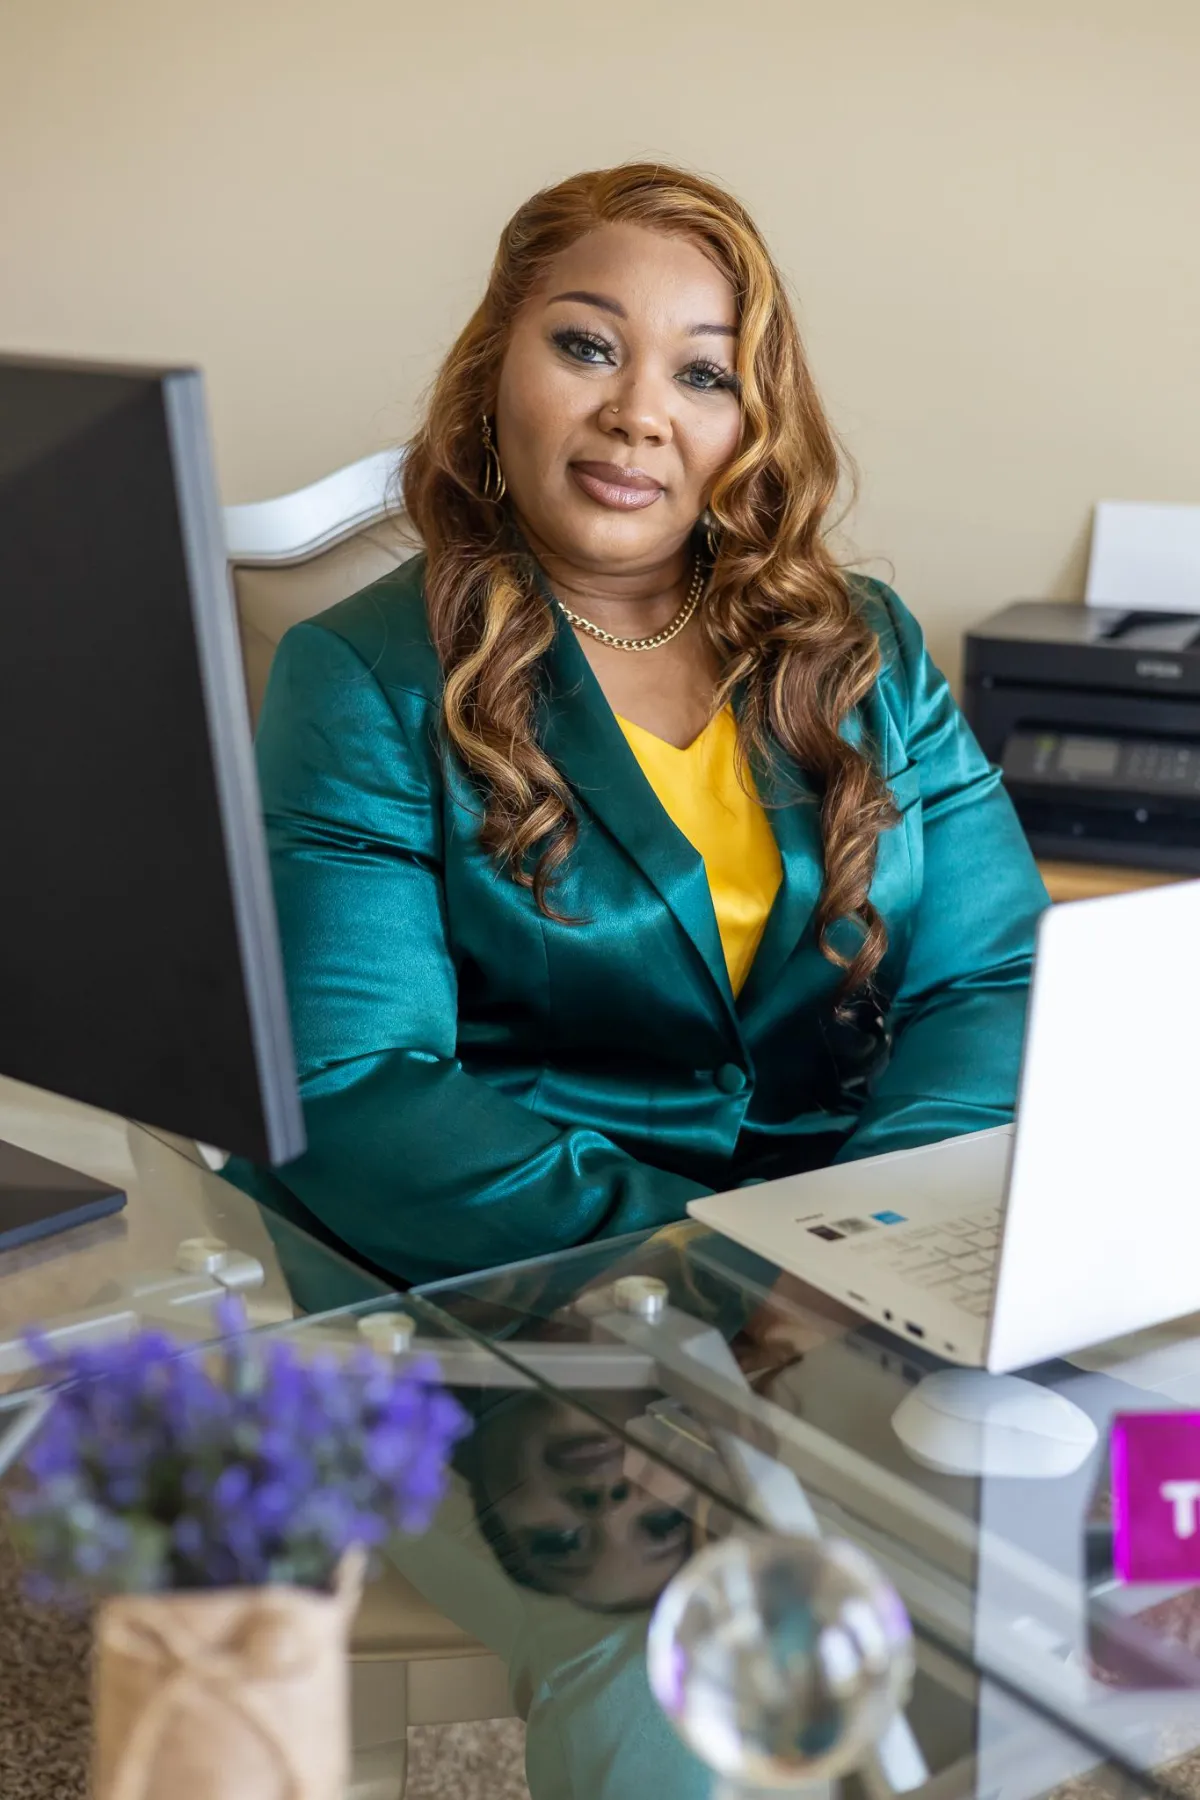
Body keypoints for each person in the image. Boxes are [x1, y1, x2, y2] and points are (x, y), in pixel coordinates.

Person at [223, 161, 1048, 1291]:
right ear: (492, 371)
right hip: (525, 1300)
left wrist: (870, 1247)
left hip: (853, 1280)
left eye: (703, 373)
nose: (638, 415)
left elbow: (995, 980)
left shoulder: (865, 649)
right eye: (587, 346)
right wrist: (715, 1262)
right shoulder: (363, 677)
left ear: (750, 422)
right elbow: (356, 1080)